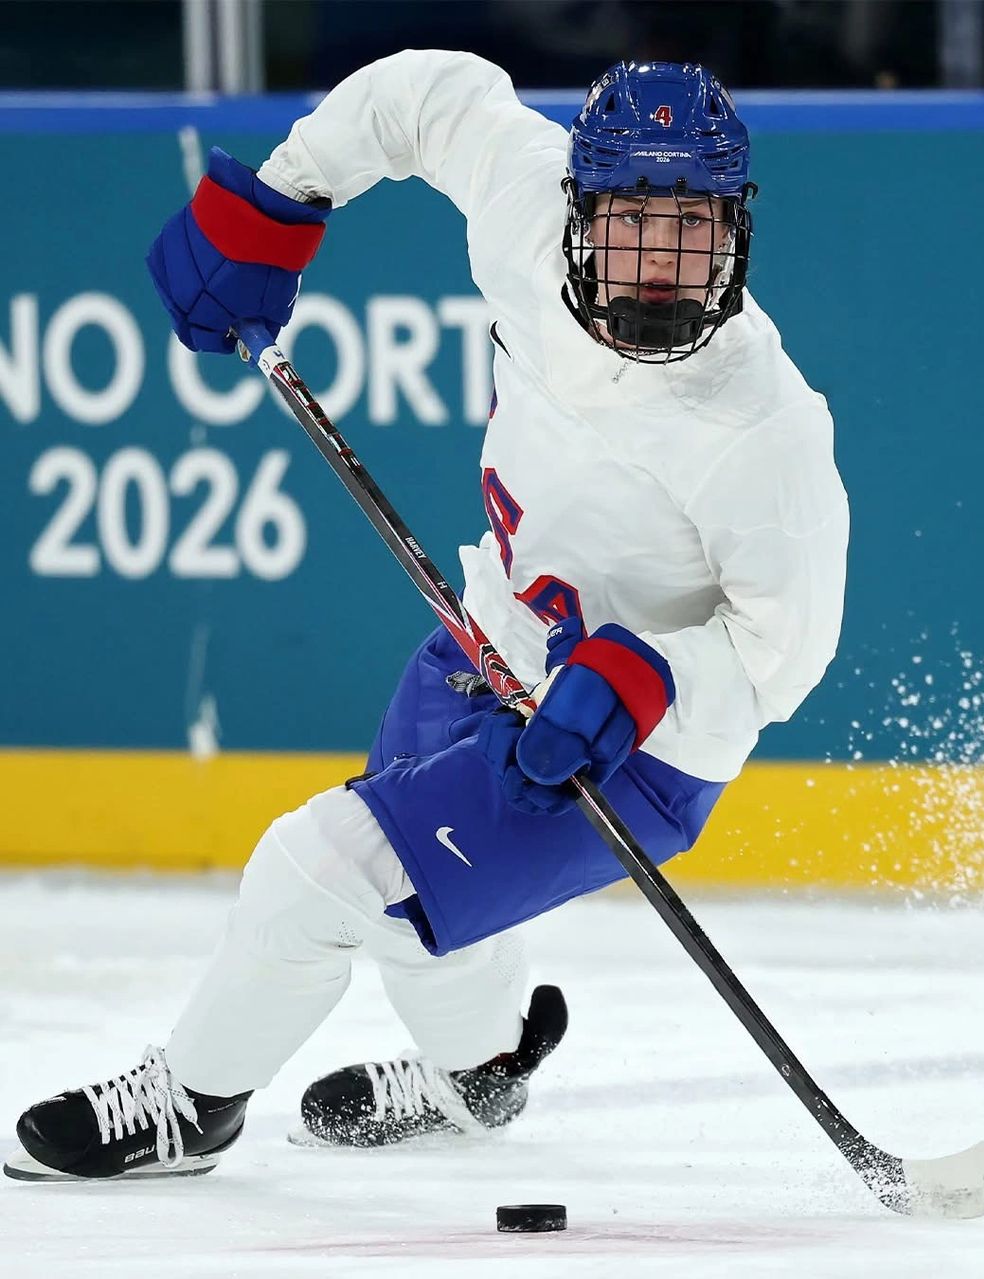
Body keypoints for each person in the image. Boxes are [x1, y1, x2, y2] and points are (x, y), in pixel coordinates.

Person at [5, 52, 848, 1182]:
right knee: (420, 918)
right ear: (577, 211)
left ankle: (190, 1103)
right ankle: (480, 1073)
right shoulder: (525, 211)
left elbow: (784, 654)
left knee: (322, 868)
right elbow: (430, 98)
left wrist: (648, 678)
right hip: (490, 636)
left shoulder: (766, 428)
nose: (661, 260)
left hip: (640, 742)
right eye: (633, 221)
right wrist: (282, 199)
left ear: (734, 228)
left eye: (692, 226)